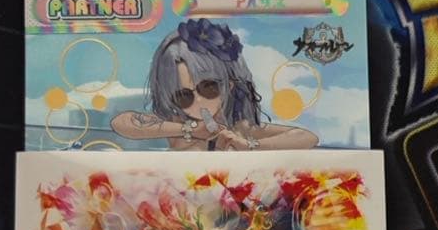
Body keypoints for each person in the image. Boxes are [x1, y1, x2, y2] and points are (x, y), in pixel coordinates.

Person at [111, 18, 318, 151]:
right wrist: (190, 129)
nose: (199, 101)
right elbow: (122, 122)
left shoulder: (238, 127)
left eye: (209, 88)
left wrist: (249, 145)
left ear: (229, 85)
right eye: (183, 96)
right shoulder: (176, 124)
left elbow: (307, 137)